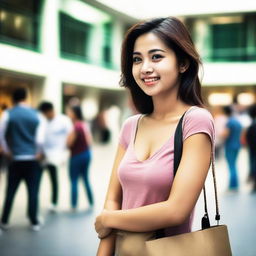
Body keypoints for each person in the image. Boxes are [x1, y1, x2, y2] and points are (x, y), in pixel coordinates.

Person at [94, 17, 215, 255]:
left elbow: (176, 211)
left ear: (182, 63)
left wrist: (109, 220)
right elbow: (112, 201)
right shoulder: (131, 126)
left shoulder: (195, 121)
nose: (145, 68)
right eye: (137, 59)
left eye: (156, 56)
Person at [0, 88, 44, 232]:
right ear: (26, 97)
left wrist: (7, 151)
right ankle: (34, 221)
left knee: (10, 191)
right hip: (32, 159)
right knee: (33, 191)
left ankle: (4, 221)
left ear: (13, 99)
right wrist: (38, 152)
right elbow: (40, 139)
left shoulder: (8, 114)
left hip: (15, 159)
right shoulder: (36, 114)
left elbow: (1, 135)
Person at [38, 101, 72, 212]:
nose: (45, 115)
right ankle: (34, 202)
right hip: (43, 155)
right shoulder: (42, 121)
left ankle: (54, 202)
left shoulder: (63, 120)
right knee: (37, 180)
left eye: (46, 113)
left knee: (54, 180)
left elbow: (71, 135)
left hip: (56, 156)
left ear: (51, 111)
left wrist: (64, 153)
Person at [66, 105, 94, 211]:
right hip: (86, 154)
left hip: (77, 156)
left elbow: (69, 143)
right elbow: (90, 141)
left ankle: (73, 205)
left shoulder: (76, 126)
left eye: (69, 111)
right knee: (86, 179)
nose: (68, 113)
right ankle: (91, 201)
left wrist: (66, 140)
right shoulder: (84, 124)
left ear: (74, 113)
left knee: (74, 180)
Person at [222, 105, 242, 191]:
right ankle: (235, 184)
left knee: (231, 166)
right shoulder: (237, 121)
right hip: (237, 145)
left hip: (230, 146)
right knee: (234, 165)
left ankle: (232, 186)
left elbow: (226, 134)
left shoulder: (229, 122)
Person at [245, 104, 256, 192]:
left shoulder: (253, 124)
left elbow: (249, 136)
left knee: (253, 164)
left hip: (253, 148)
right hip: (252, 147)